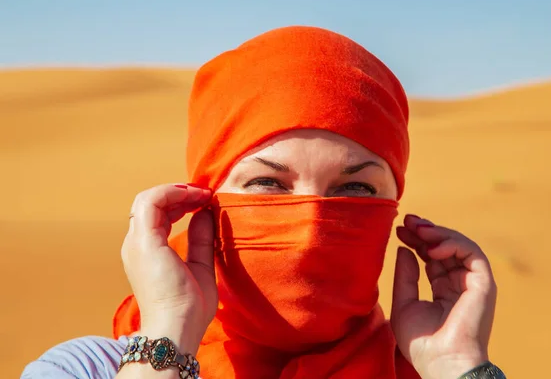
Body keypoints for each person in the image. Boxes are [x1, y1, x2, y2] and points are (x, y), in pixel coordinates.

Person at [22, 26, 505, 379]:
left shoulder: (433, 372)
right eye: (268, 185)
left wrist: (457, 367)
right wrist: (167, 334)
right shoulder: (87, 371)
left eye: (354, 189)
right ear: (202, 202)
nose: (312, 226)